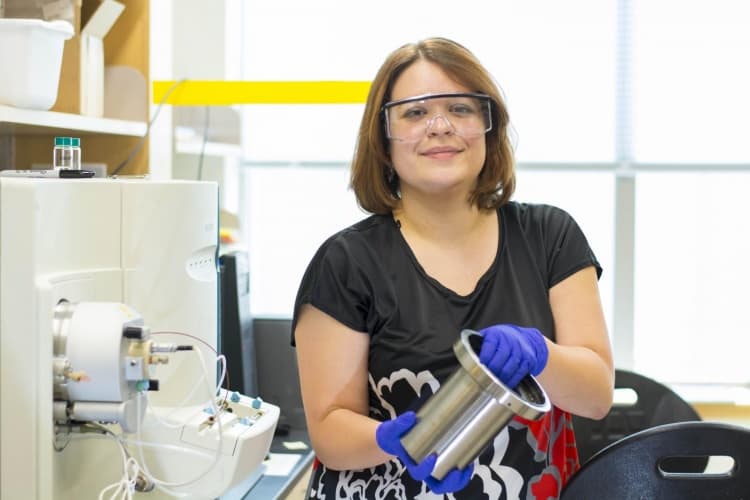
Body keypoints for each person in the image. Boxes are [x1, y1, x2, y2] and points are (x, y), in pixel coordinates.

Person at [292, 37, 614, 499]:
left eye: (460, 109)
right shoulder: (346, 263)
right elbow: (329, 432)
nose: (440, 126)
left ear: (488, 127)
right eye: (415, 113)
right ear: (383, 141)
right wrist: (393, 441)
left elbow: (597, 396)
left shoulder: (550, 235)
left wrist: (540, 353)